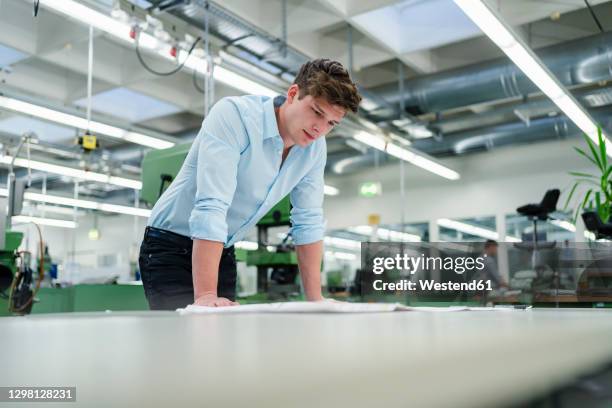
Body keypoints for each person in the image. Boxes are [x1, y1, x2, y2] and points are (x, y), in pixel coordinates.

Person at [138, 59, 362, 310]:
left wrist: (315, 301)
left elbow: (308, 219)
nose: (320, 128)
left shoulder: (313, 149)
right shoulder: (234, 116)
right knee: (183, 337)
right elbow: (212, 204)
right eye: (317, 112)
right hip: (170, 243)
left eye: (331, 123)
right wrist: (206, 296)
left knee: (220, 341)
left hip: (222, 247)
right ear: (293, 94)